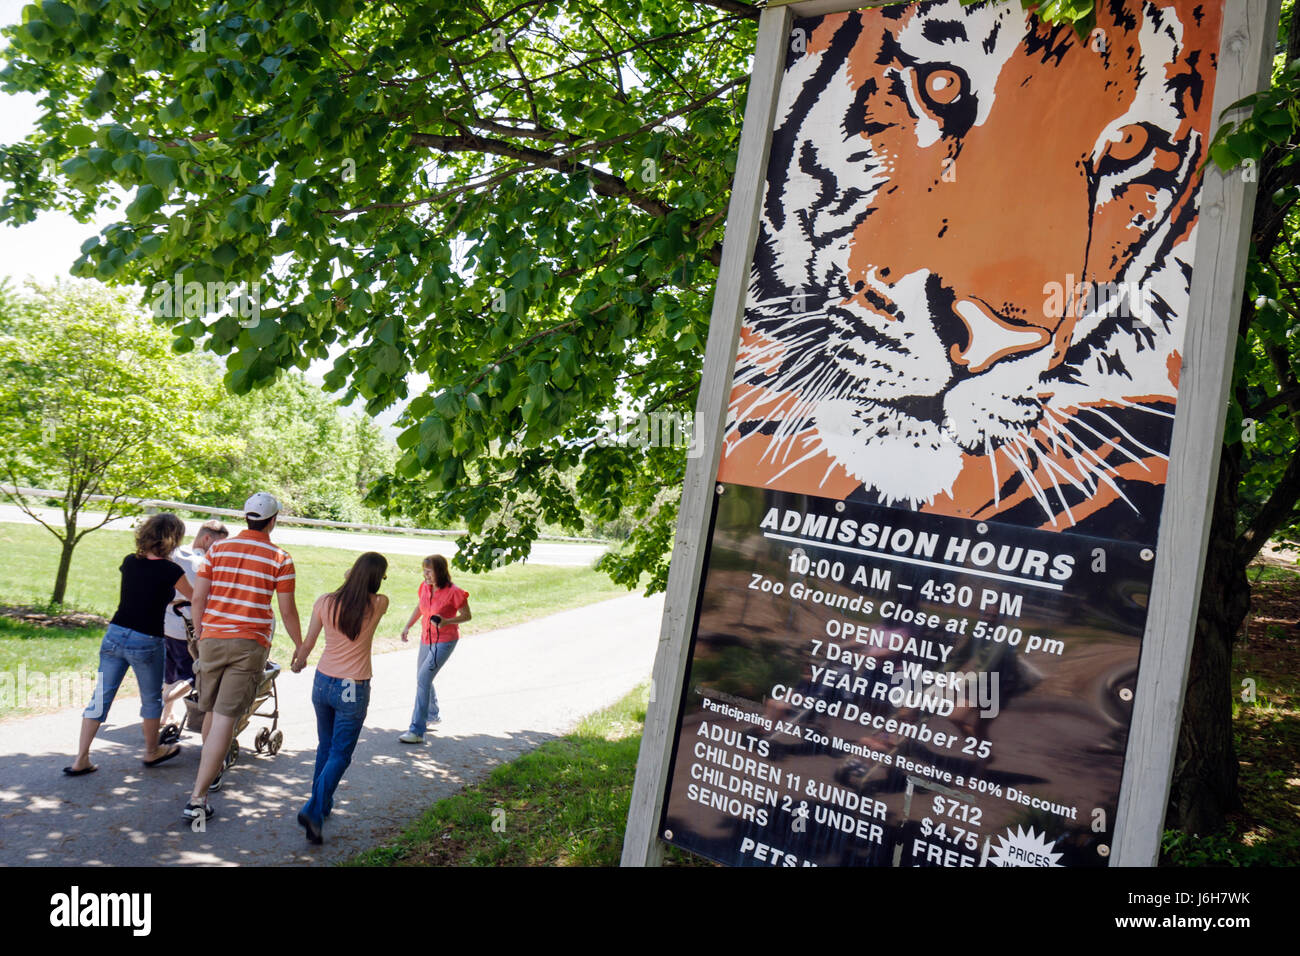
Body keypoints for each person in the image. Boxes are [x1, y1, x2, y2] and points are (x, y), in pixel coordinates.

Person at [182, 492, 303, 824]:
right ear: (273, 520)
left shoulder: (217, 549)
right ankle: (197, 797)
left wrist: (204, 632)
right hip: (249, 643)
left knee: (210, 711)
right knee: (224, 719)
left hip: (212, 639)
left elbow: (199, 599)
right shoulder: (280, 557)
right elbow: (287, 610)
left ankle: (212, 774)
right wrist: (300, 646)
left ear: (246, 516)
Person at [65, 513, 192, 775]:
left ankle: (81, 758)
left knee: (101, 696)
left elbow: (141, 593)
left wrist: (166, 600)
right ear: (173, 538)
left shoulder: (130, 562)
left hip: (115, 633)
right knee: (151, 699)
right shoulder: (172, 570)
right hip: (146, 640)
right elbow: (195, 595)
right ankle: (151, 752)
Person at [290, 552, 389, 844]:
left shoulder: (324, 601)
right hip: (352, 686)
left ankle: (321, 804)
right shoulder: (379, 604)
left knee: (326, 745)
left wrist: (298, 662)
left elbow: (308, 642)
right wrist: (366, 576)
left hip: (323, 682)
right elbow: (361, 583)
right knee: (340, 753)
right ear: (377, 579)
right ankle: (314, 810)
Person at [160, 520, 229, 729]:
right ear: (206, 538)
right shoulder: (201, 563)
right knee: (192, 675)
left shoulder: (172, 553)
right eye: (218, 545)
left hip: (164, 621)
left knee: (169, 673)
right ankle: (158, 702)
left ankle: (166, 715)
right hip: (186, 625)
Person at [398, 554, 470, 744]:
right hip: (426, 638)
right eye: (424, 571)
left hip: (445, 640)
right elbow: (420, 608)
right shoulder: (424, 587)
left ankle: (417, 731)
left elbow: (467, 615)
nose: (426, 575)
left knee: (423, 678)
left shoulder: (454, 592)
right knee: (423, 677)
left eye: (429, 572)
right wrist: (408, 626)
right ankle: (432, 714)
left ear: (440, 571)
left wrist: (447, 621)